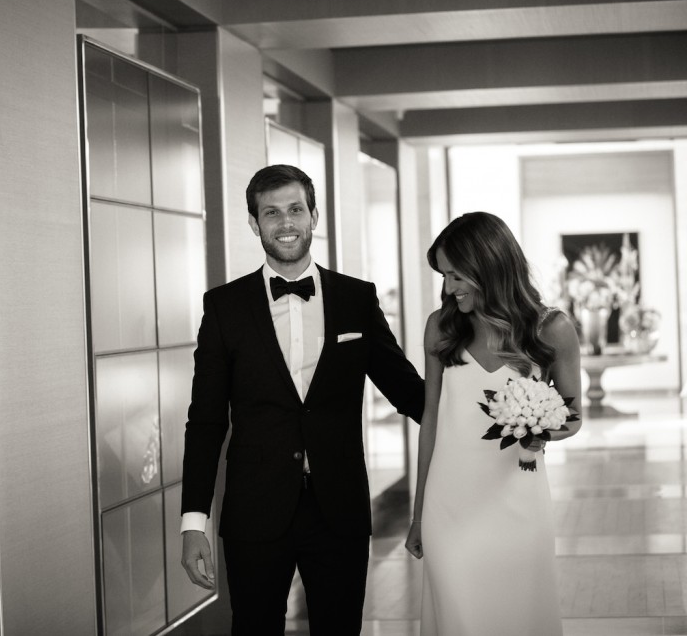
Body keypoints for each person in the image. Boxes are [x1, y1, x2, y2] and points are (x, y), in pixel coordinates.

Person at [180, 164, 425, 634]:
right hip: (254, 510)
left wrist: (482, 418)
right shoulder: (225, 307)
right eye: (271, 212)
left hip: (339, 509)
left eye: (295, 209)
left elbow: (407, 390)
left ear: (314, 216)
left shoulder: (356, 299)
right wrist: (194, 521)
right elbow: (206, 421)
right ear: (254, 223)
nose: (285, 222)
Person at [404, 211, 582, 636]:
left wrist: (540, 431)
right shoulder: (441, 327)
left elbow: (573, 417)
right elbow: (431, 419)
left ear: (489, 266)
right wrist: (419, 513)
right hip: (449, 504)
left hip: (519, 500)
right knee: (458, 615)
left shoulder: (552, 329)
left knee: (517, 615)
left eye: (457, 275)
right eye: (444, 276)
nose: (450, 288)